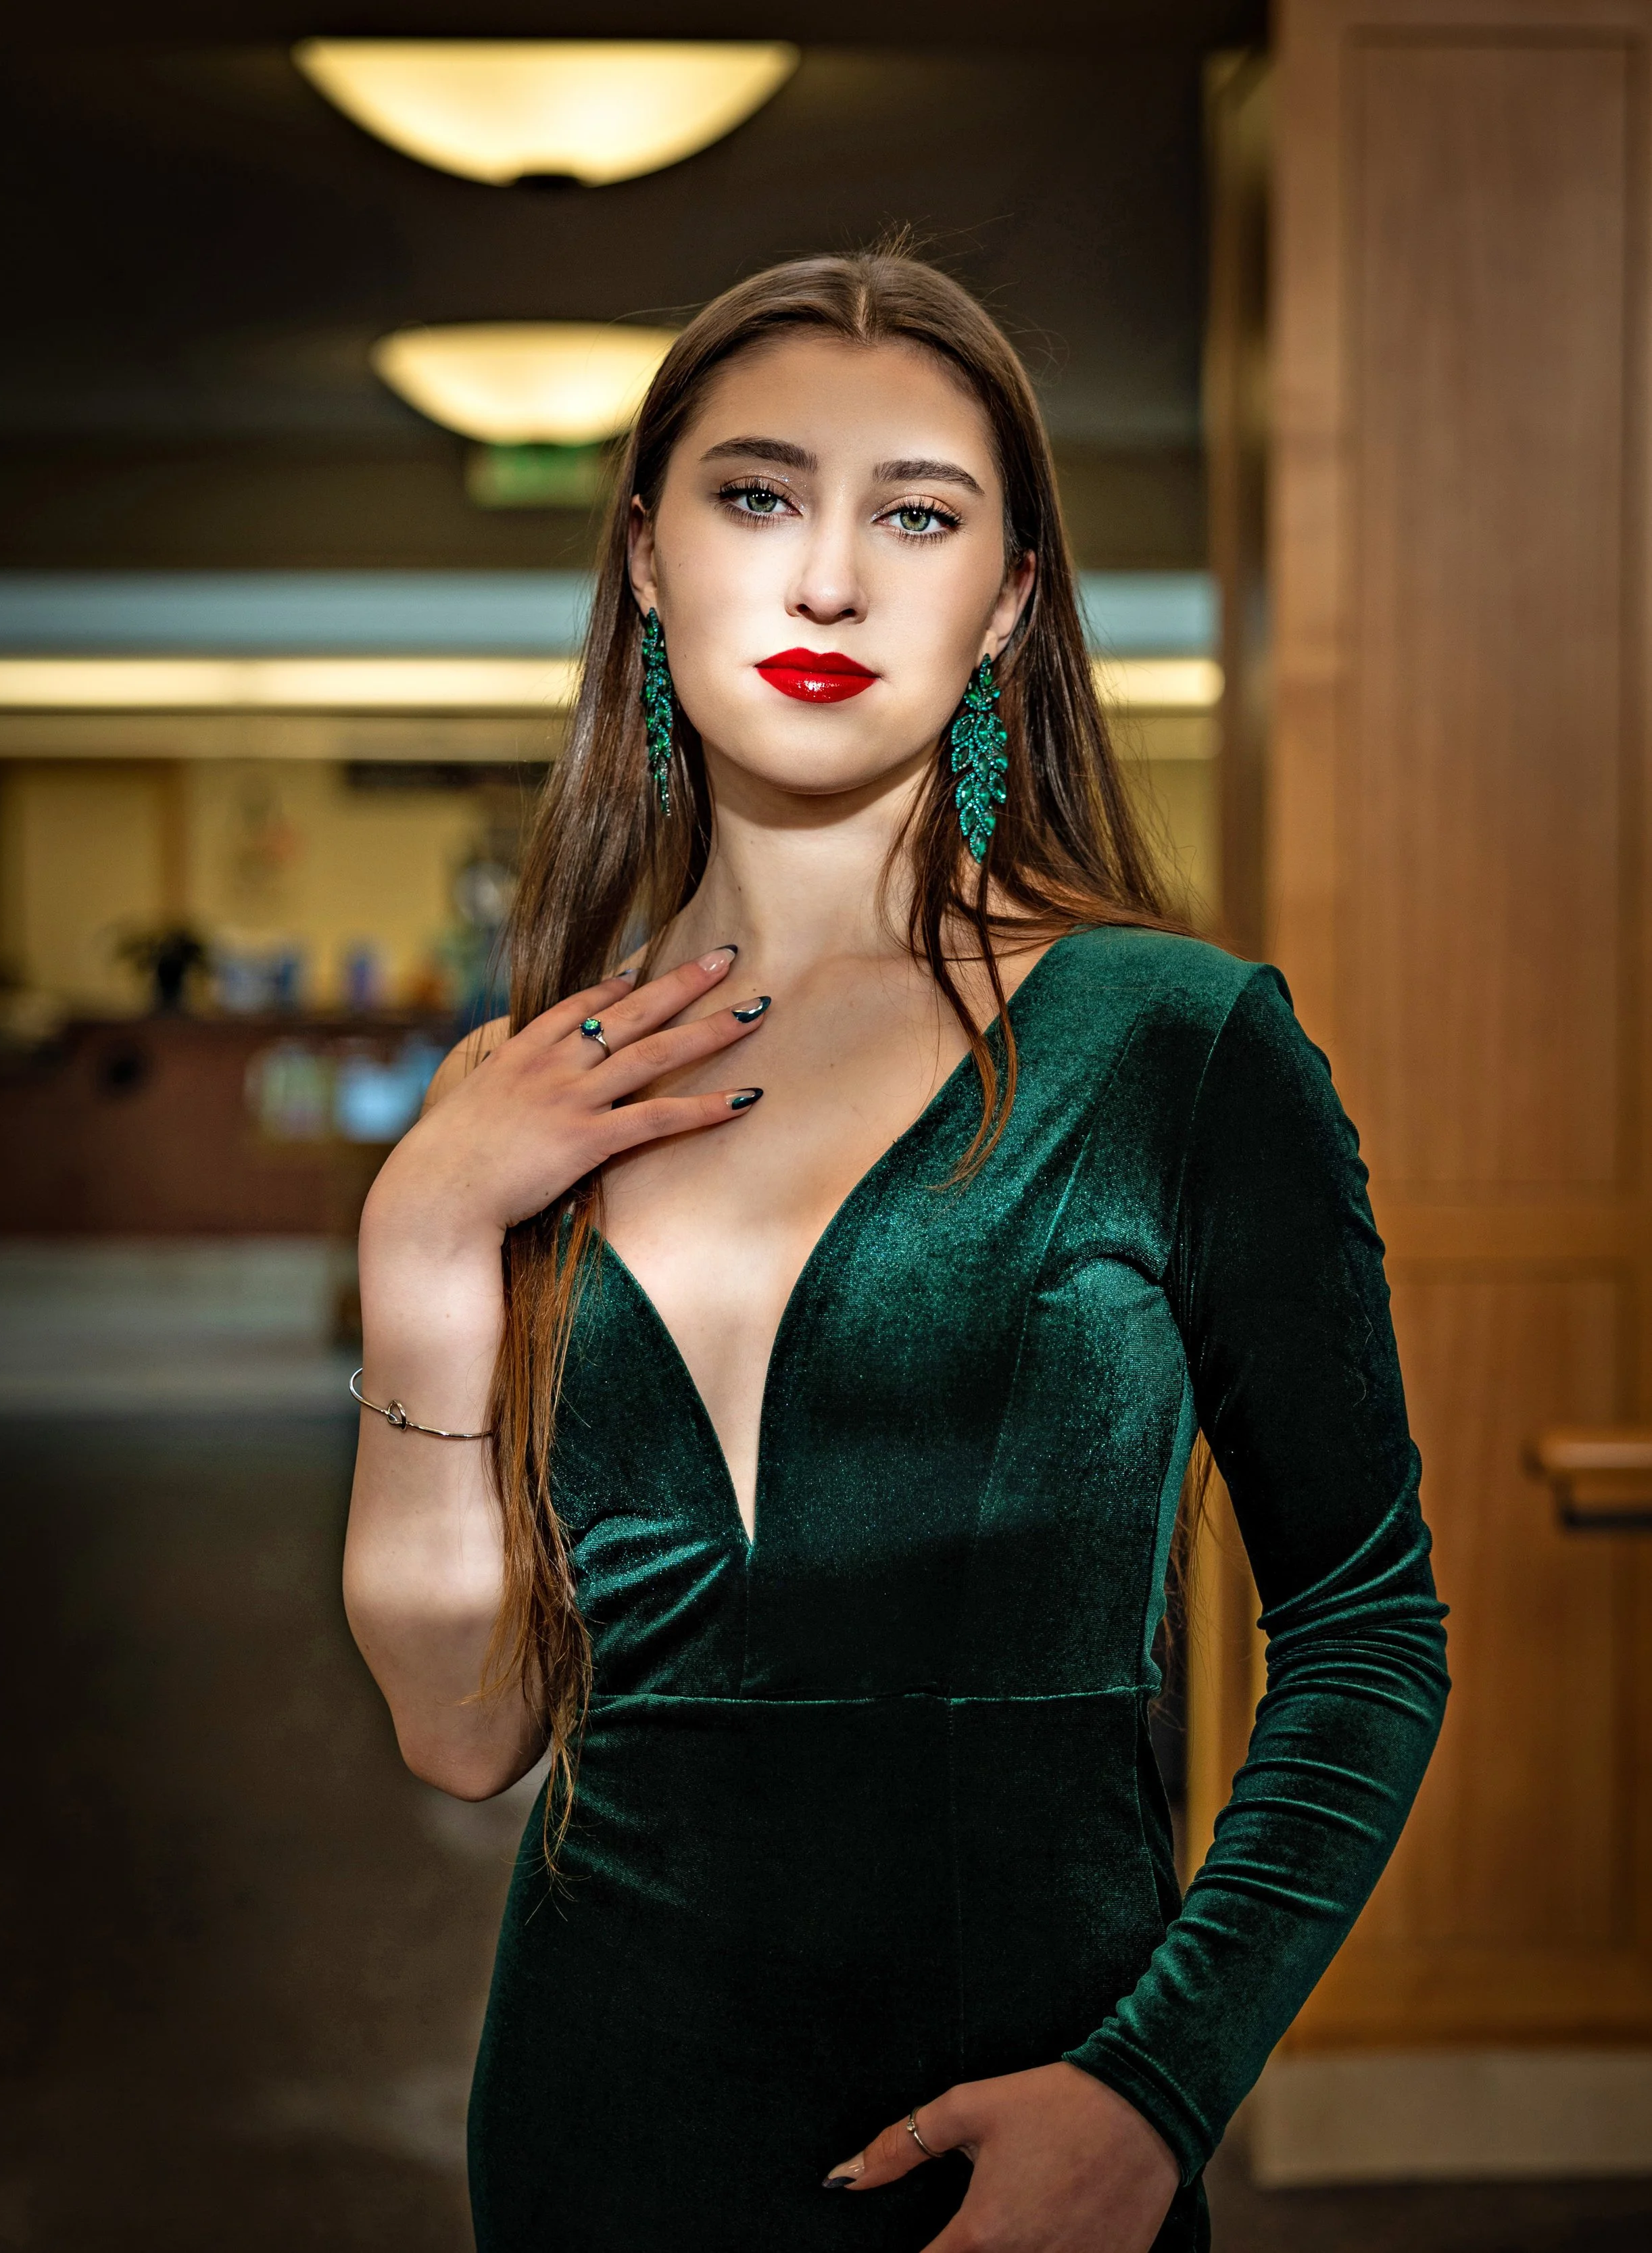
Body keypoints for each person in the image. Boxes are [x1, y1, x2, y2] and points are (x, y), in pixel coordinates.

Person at [341, 248, 1449, 2253]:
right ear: (648, 559)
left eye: (915, 514)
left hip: (1042, 2131)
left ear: (1008, 597)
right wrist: (424, 1229)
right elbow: (465, 1725)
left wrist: (1157, 2082)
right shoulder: (530, 1091)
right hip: (601, 2124)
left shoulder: (1172, 1047)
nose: (828, 577)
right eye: (756, 496)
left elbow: (1369, 1628)